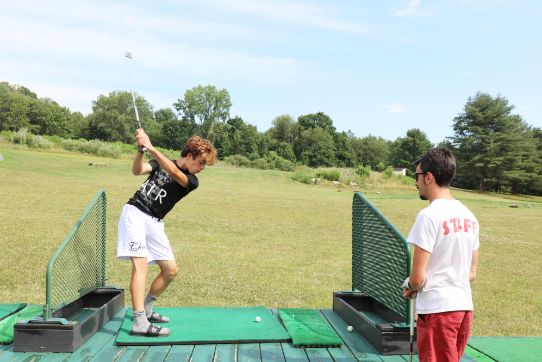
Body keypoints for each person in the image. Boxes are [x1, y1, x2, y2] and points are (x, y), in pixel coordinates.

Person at [117, 129, 217, 337]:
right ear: (189, 155)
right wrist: (141, 151)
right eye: (200, 163)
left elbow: (174, 173)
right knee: (140, 266)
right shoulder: (162, 162)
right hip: (135, 213)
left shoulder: (191, 180)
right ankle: (139, 321)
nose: (201, 168)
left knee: (170, 270)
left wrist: (152, 147)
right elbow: (137, 171)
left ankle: (147, 308)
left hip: (155, 222)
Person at [402, 148, 480, 362]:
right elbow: (471, 273)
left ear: (428, 177)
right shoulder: (470, 216)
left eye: (417, 176)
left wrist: (410, 286)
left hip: (438, 312)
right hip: (463, 308)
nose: (415, 182)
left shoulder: (428, 216)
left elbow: (417, 279)